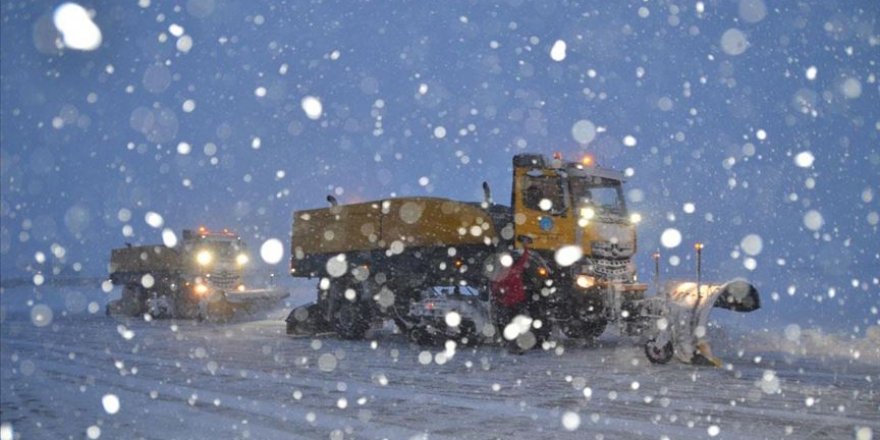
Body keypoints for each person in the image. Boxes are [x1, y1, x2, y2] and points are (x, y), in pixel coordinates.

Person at [490, 236, 547, 352]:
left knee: (511, 324)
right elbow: (524, 259)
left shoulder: (503, 275)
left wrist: (498, 298)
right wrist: (525, 247)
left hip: (510, 303)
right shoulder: (516, 270)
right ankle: (517, 345)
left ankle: (513, 345)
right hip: (517, 302)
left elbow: (495, 289)